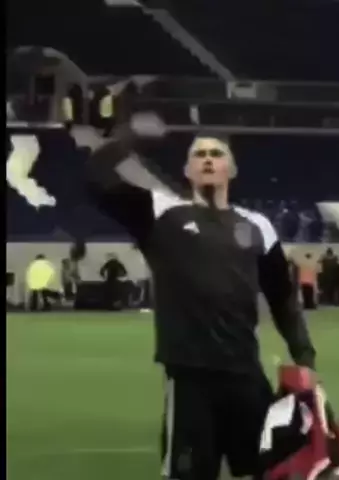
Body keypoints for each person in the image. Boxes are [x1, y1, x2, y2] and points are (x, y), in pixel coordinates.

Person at [79, 113, 316, 480]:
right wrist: (129, 136)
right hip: (191, 379)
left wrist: (304, 358)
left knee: (269, 472)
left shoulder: (258, 226)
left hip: (246, 375)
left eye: (216, 154)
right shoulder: (161, 213)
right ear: (187, 170)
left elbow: (282, 297)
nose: (207, 159)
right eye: (199, 154)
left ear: (231, 170)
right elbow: (96, 181)